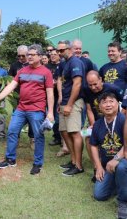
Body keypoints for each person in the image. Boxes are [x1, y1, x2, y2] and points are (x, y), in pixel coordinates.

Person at [0, 44, 54, 175]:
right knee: (12, 131)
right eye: (28, 54)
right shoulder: (22, 71)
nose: (29, 57)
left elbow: (50, 93)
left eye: (32, 55)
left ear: (40, 56)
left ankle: (38, 163)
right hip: (21, 108)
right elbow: (11, 86)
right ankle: (10, 159)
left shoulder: (46, 72)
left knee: (38, 136)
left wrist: (50, 112)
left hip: (37, 110)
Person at [90, 92, 127, 219]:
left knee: (121, 167)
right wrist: (99, 166)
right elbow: (93, 145)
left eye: (111, 101)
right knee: (99, 195)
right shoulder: (98, 124)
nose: (108, 105)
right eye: (104, 102)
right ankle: (120, 184)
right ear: (99, 107)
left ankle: (123, 203)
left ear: (118, 104)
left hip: (122, 161)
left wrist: (116, 159)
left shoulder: (123, 120)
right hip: (108, 167)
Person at [84, 71, 123, 181]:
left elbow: (123, 105)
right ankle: (97, 167)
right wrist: (93, 125)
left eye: (95, 84)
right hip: (98, 123)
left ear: (101, 79)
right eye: (90, 85)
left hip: (115, 120)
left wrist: (122, 120)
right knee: (88, 138)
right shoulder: (86, 90)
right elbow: (89, 109)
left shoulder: (112, 88)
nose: (93, 87)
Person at [57, 40, 85, 176]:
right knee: (64, 131)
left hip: (73, 102)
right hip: (65, 102)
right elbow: (62, 82)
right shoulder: (65, 63)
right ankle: (73, 161)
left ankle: (79, 166)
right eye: (58, 51)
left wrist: (69, 104)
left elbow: (77, 84)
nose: (59, 53)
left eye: (62, 50)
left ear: (70, 49)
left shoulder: (75, 62)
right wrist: (61, 102)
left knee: (74, 132)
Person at [8, 45, 34, 147]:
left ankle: (32, 139)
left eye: (23, 56)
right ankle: (16, 139)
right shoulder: (14, 66)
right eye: (19, 56)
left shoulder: (32, 64)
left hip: (30, 97)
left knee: (32, 119)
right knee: (16, 118)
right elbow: (10, 79)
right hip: (17, 97)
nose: (21, 58)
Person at [46, 49, 63, 148]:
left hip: (59, 95)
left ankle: (62, 138)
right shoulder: (46, 67)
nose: (52, 56)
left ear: (58, 55)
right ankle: (56, 137)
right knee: (52, 116)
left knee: (59, 118)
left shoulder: (61, 65)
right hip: (50, 95)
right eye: (51, 54)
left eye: (54, 54)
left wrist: (55, 83)